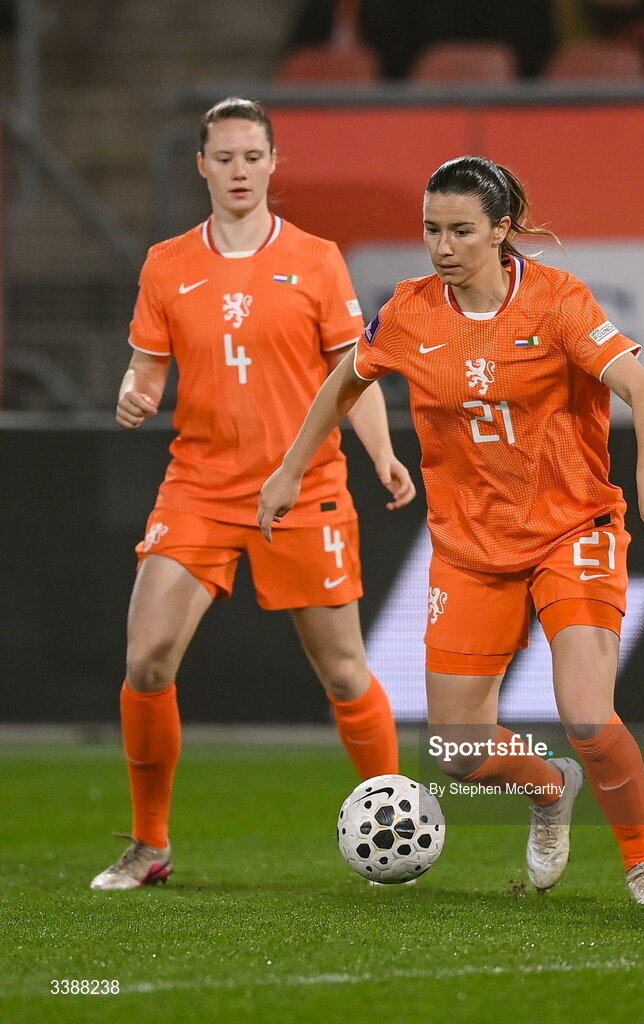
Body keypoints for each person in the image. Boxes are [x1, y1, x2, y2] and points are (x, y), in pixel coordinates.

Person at [259, 155, 644, 904]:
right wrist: (291, 469)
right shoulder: (409, 311)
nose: (442, 246)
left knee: (588, 716)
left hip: (571, 529)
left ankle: (643, 863)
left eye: (460, 230)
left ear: (500, 230)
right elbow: (343, 382)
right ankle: (548, 786)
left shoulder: (556, 301)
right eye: (431, 229)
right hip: (469, 547)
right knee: (457, 752)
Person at [90, 97, 415, 891]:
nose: (239, 171)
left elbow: (353, 373)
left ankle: (394, 826)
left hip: (303, 486)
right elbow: (146, 368)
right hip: (199, 484)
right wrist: (134, 392)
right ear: (201, 166)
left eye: (252, 157)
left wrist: (382, 453)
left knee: (344, 673)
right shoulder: (167, 264)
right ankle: (149, 844)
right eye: (225, 157)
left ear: (273, 164)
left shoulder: (315, 259)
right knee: (146, 659)